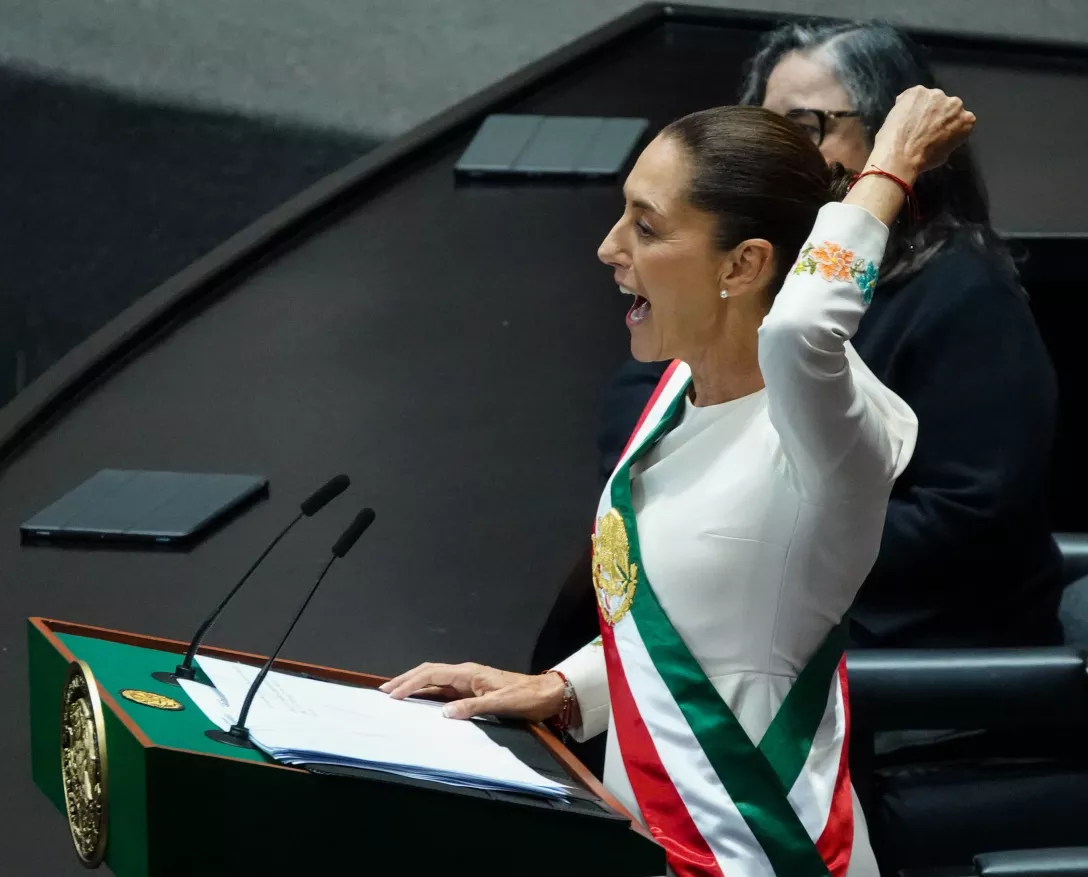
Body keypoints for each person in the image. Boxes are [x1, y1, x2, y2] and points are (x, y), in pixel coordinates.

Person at [383, 88, 974, 875]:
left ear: (746, 263)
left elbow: (802, 328)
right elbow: (693, 624)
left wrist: (889, 168)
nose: (607, 246)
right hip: (653, 832)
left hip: (762, 847)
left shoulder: (830, 435)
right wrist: (564, 686)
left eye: (646, 225)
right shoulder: (677, 389)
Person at [532, 22, 1062, 684]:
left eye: (806, 126)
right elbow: (643, 393)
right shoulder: (760, 269)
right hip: (749, 609)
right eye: (765, 122)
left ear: (882, 137)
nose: (777, 148)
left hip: (900, 634)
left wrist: (757, 534)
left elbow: (970, 516)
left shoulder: (964, 292)